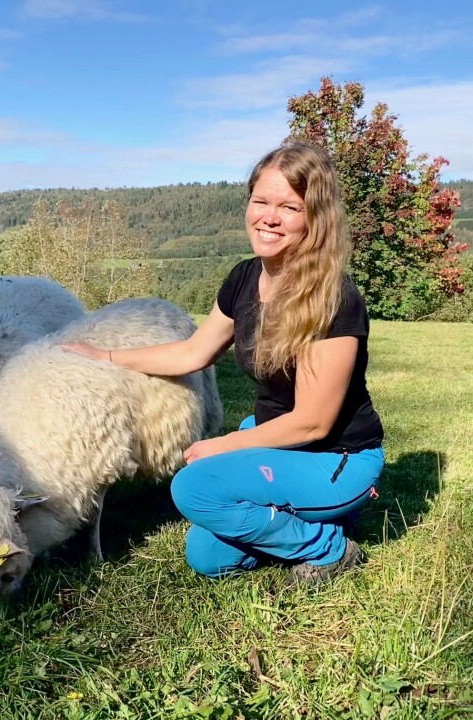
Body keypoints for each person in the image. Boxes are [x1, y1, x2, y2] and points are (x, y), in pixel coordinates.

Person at [64, 142, 384, 586]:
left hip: (336, 459)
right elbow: (192, 353)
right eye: (261, 202)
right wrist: (106, 356)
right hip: (280, 445)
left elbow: (313, 422)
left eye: (289, 207)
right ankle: (317, 519)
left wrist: (226, 444)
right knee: (207, 555)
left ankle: (329, 548)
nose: (269, 218)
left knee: (194, 487)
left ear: (316, 218)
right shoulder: (245, 278)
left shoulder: (334, 298)